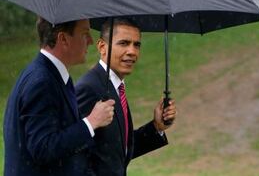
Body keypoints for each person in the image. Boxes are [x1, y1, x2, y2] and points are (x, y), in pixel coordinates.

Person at [3, 18, 116, 176]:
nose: (91, 41)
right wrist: (91, 122)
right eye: (85, 34)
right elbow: (43, 148)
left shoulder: (50, 75)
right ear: (63, 39)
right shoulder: (42, 81)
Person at [75, 18, 177, 176]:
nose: (132, 51)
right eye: (124, 43)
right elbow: (74, 157)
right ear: (102, 47)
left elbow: (116, 151)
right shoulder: (88, 89)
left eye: (137, 45)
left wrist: (156, 127)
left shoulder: (116, 86)